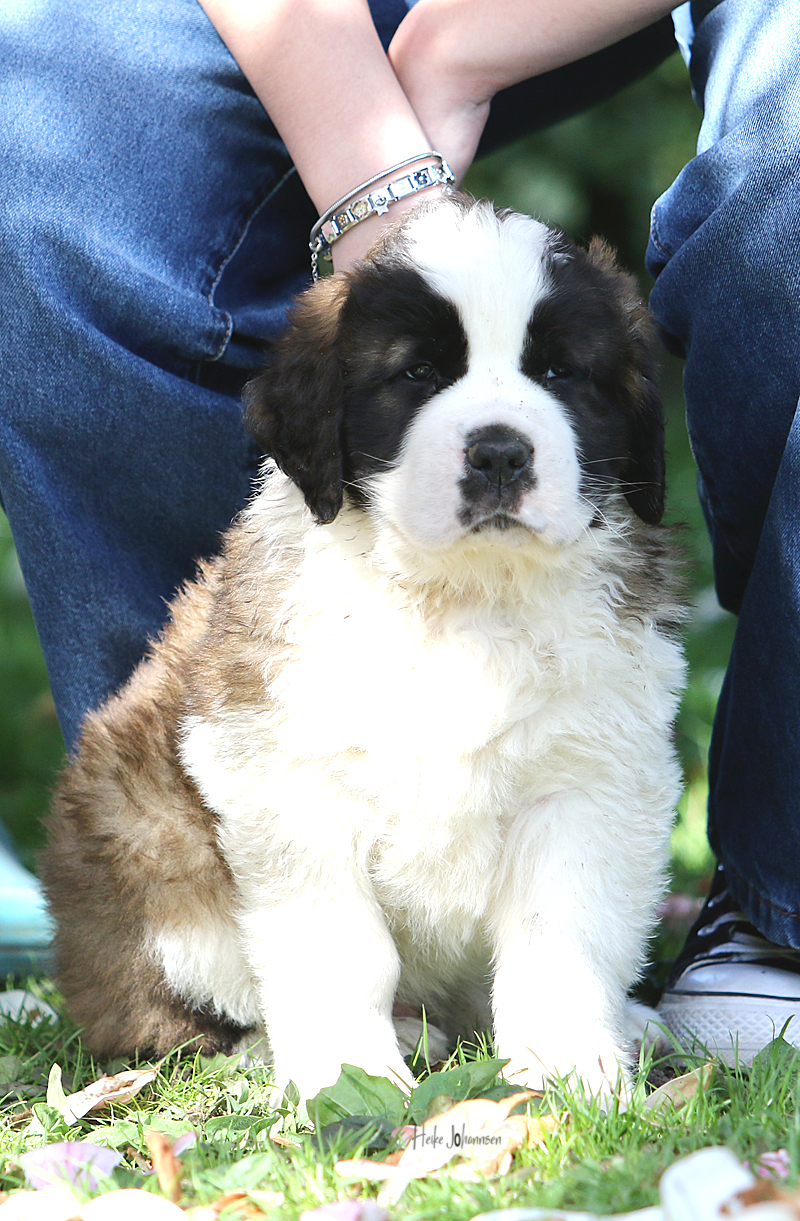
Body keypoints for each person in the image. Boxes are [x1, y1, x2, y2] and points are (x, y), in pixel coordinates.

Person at [1, 0, 797, 1065]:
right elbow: (280, 789)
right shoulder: (291, 594)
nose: (499, 436)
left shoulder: (606, 587)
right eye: (420, 375)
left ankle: (695, 948)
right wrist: (371, 158)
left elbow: (595, 796)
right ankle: (238, 1020)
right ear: (321, 427)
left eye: (556, 372)